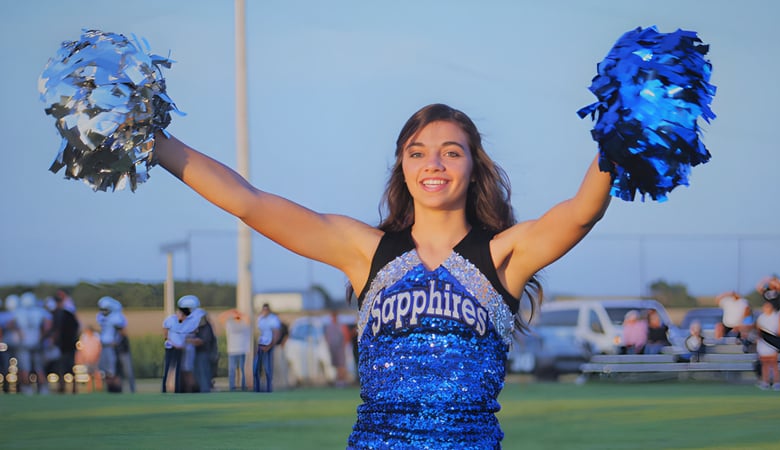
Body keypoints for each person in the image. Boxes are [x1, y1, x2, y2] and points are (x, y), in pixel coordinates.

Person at [154, 103, 612, 447]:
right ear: (404, 168)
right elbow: (247, 201)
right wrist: (152, 142)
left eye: (451, 153)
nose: (433, 164)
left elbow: (579, 215)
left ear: (474, 170)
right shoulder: (364, 251)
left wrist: (618, 130)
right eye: (418, 153)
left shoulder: (504, 255)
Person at [12, 292, 52, 394]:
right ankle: (44, 389)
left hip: (24, 344)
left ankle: (27, 389)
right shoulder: (40, 311)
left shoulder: (18, 312)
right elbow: (48, 324)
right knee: (39, 368)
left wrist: (19, 334)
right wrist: (42, 336)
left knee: (25, 369)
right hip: (36, 343)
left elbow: (11, 324)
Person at [50, 290, 81, 393]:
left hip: (64, 346)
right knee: (67, 368)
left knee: (64, 367)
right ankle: (70, 388)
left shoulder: (59, 314)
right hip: (68, 345)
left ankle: (65, 388)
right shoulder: (68, 314)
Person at [96, 296, 127, 393]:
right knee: (105, 370)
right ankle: (109, 388)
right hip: (104, 346)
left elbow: (121, 332)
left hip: (111, 347)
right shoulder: (103, 318)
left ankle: (116, 388)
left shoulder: (115, 318)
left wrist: (116, 342)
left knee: (113, 370)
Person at [217, 309, 252, 391]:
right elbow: (220, 318)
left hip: (242, 350)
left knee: (242, 370)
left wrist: (240, 314)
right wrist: (230, 312)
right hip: (232, 350)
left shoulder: (244, 324)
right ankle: (232, 387)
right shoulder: (230, 324)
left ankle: (243, 386)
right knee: (232, 370)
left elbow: (248, 319)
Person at [756, 300, 780, 391]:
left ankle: (777, 382)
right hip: (763, 342)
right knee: (764, 364)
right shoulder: (761, 317)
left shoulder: (776, 317)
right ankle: (765, 381)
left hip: (773, 341)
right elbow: (758, 330)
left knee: (774, 363)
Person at [253, 303, 281, 393]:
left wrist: (270, 345)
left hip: (268, 344)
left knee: (267, 368)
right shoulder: (260, 318)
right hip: (261, 344)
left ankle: (269, 388)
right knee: (256, 368)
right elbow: (259, 332)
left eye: (266, 310)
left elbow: (276, 333)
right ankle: (257, 388)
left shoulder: (273, 319)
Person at [162, 307, 187, 393]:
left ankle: (177, 388)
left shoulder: (184, 322)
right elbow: (165, 332)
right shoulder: (170, 320)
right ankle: (164, 387)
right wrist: (172, 343)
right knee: (168, 367)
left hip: (180, 348)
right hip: (171, 347)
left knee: (178, 368)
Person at [75, 325, 103, 393]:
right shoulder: (84, 338)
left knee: (97, 374)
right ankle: (89, 389)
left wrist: (96, 357)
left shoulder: (96, 338)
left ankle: (99, 389)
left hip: (95, 359)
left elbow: (98, 348)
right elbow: (82, 349)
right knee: (89, 375)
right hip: (87, 359)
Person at [324, 312, 349, 387]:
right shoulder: (329, 327)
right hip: (333, 348)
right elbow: (327, 337)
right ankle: (338, 380)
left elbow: (346, 335)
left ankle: (342, 380)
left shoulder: (341, 326)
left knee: (341, 365)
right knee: (336, 365)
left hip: (340, 347)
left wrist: (344, 345)